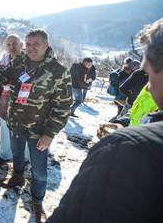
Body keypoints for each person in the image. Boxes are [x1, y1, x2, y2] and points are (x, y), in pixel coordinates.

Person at [48, 18, 163, 223]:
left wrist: (124, 136)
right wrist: (125, 123)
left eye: (148, 65)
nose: (144, 68)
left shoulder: (126, 148)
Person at [0, 29, 72, 222]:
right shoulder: (18, 62)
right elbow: (1, 77)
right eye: (28, 43)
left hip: (39, 131)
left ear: (46, 45)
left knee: (39, 170)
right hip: (16, 124)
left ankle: (37, 202)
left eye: (36, 44)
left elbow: (64, 105)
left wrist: (50, 133)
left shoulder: (58, 71)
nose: (31, 47)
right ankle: (17, 176)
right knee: (16, 155)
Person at [0, 34, 22, 167]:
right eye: (8, 44)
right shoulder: (5, 58)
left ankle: (24, 158)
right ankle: (5, 154)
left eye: (14, 43)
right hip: (5, 99)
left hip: (22, 102)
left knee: (21, 131)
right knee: (5, 127)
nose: (11, 47)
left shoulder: (27, 59)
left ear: (21, 45)